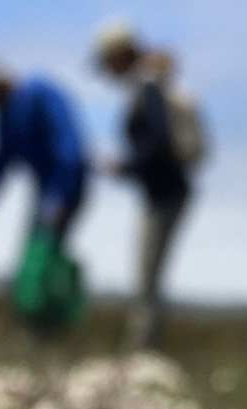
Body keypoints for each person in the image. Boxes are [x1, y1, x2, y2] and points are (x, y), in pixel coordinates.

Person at [91, 22, 203, 349]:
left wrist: (125, 166)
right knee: (148, 277)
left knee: (147, 279)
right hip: (165, 192)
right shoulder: (148, 84)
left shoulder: (147, 86)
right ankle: (144, 350)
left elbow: (157, 143)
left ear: (120, 55)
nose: (106, 71)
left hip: (165, 194)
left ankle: (142, 353)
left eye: (107, 62)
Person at [0, 56, 90, 250]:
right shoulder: (6, 119)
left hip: (69, 182)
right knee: (34, 247)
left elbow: (69, 147)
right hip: (44, 189)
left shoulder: (40, 93)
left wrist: (60, 196)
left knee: (43, 252)